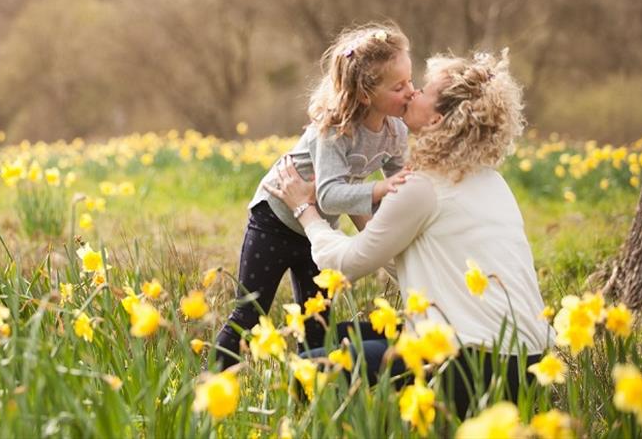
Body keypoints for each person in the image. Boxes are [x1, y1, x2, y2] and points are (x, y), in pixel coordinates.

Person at [265, 50, 552, 417]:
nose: (413, 93)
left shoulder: (423, 187)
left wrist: (304, 209)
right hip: (528, 364)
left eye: (424, 91)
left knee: (307, 371)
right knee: (341, 334)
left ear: (437, 118)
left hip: (469, 366)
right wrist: (357, 204)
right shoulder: (490, 182)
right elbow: (406, 255)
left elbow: (346, 265)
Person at [213, 23, 415, 369]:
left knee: (317, 319)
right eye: (399, 86)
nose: (411, 91)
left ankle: (310, 385)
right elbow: (330, 193)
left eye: (410, 81)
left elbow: (401, 186)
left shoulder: (395, 131)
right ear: (366, 94)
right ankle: (212, 380)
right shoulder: (335, 129)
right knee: (251, 310)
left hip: (316, 230)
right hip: (274, 220)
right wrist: (379, 189)